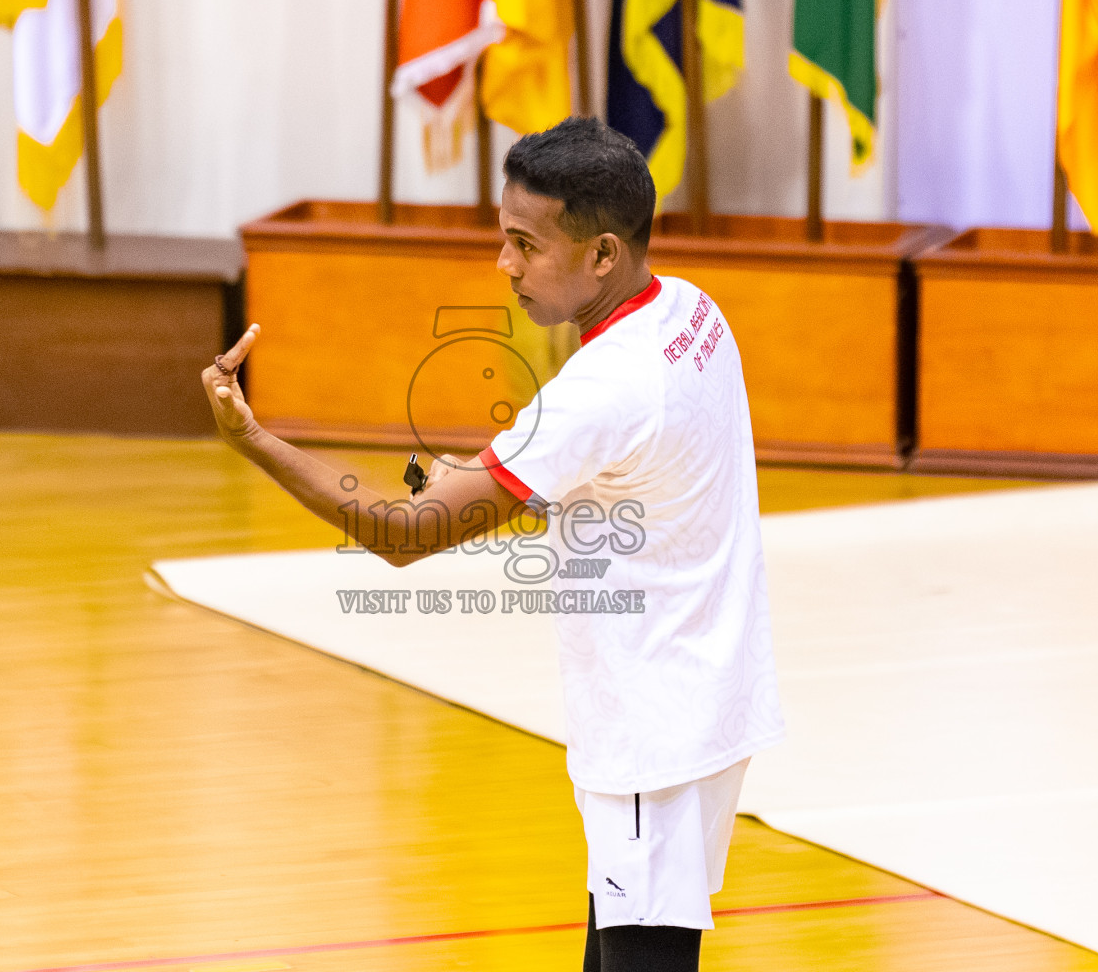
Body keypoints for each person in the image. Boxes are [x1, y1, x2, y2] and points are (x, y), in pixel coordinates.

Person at [202, 117, 785, 972]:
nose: (504, 265)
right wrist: (495, 474)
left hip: (649, 734)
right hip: (707, 697)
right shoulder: (693, 309)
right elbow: (623, 466)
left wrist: (253, 439)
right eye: (502, 239)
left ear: (603, 254)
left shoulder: (600, 391)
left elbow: (403, 537)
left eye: (525, 244)